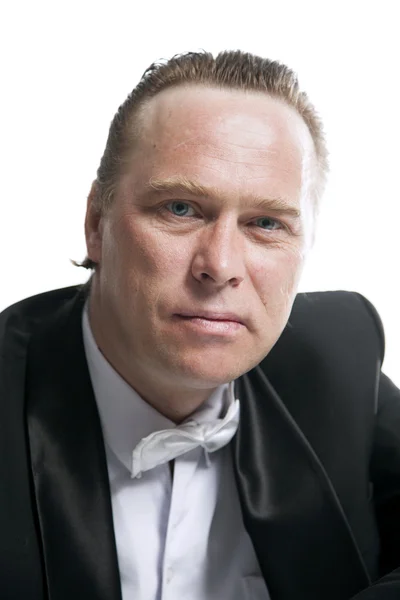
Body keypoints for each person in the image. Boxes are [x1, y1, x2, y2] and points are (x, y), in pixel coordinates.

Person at [1, 50, 399, 600]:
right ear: (96, 224)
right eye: (181, 209)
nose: (221, 266)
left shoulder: (337, 357)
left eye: (265, 223)